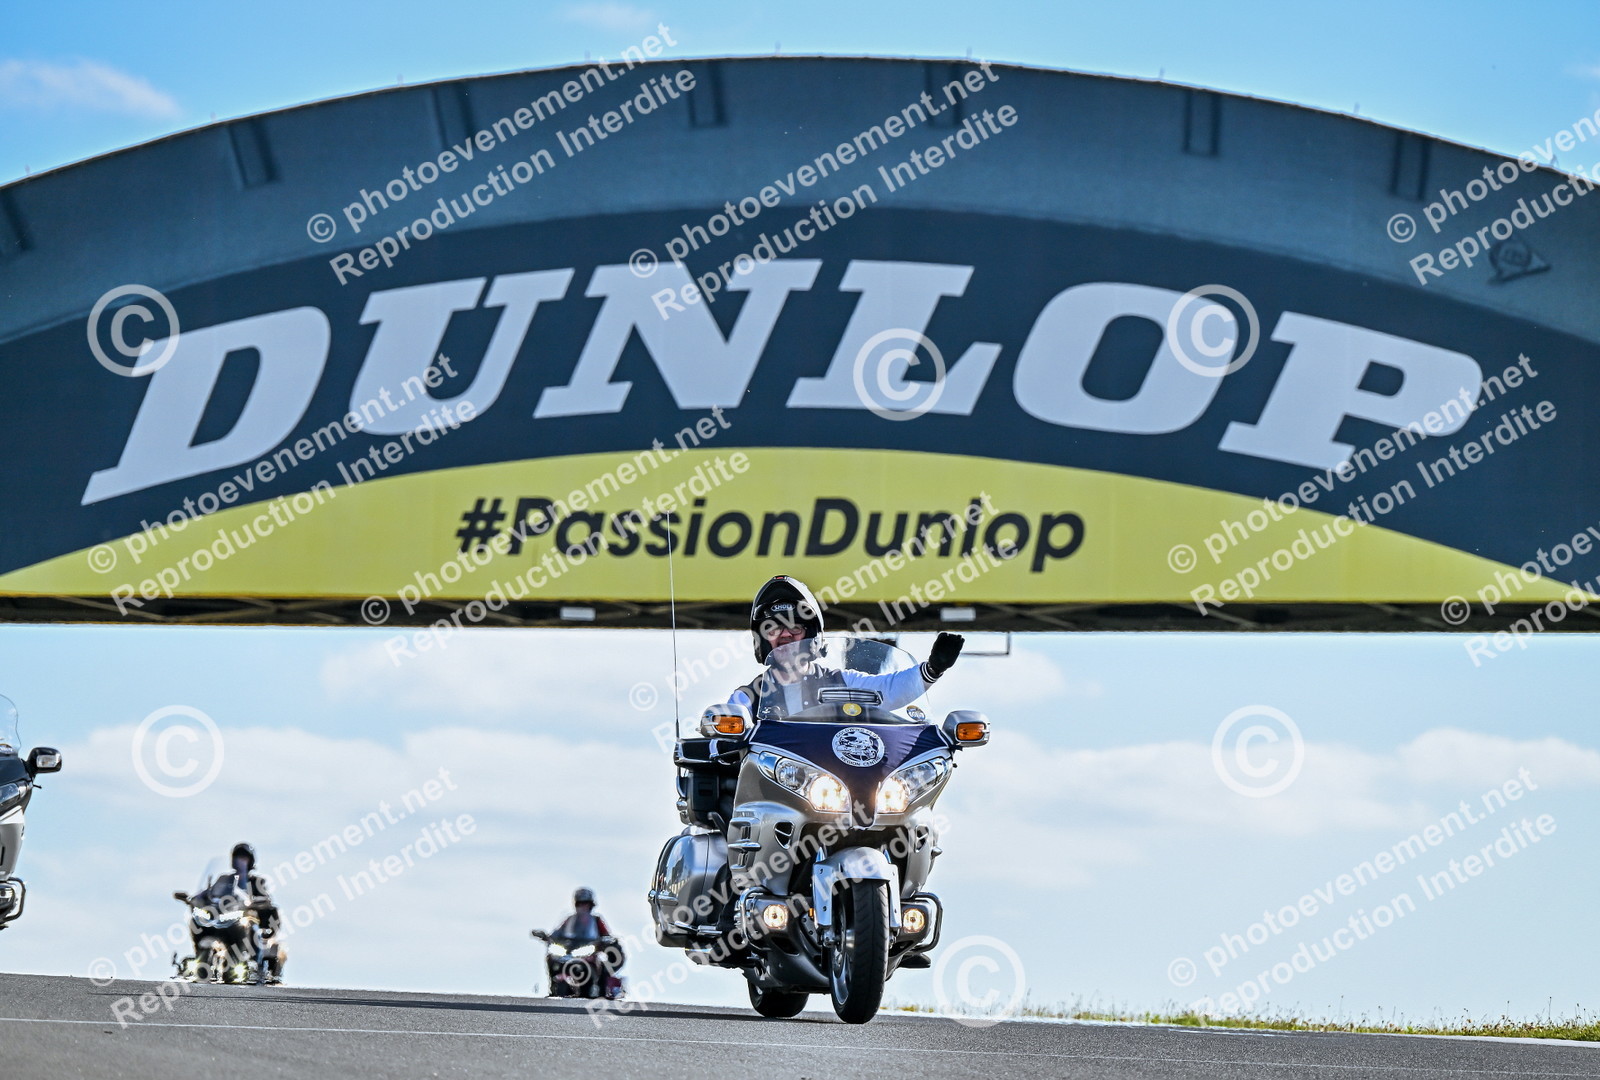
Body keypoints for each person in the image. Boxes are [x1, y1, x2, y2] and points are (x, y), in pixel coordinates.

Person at [729, 575, 965, 718]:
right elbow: (719, 735)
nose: (785, 635)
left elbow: (889, 690)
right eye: (773, 629)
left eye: (795, 627)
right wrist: (721, 740)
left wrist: (932, 669)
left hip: (833, 782)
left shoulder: (841, 682)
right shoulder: (747, 697)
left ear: (811, 636)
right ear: (762, 639)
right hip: (771, 784)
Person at [204, 842, 286, 983]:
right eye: (237, 858)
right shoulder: (224, 879)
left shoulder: (257, 881)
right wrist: (200, 899)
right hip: (226, 918)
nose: (240, 861)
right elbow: (211, 894)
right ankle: (204, 960)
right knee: (207, 925)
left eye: (243, 858)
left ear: (250, 861)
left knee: (253, 928)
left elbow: (266, 899)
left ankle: (255, 964)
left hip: (248, 917)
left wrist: (258, 903)